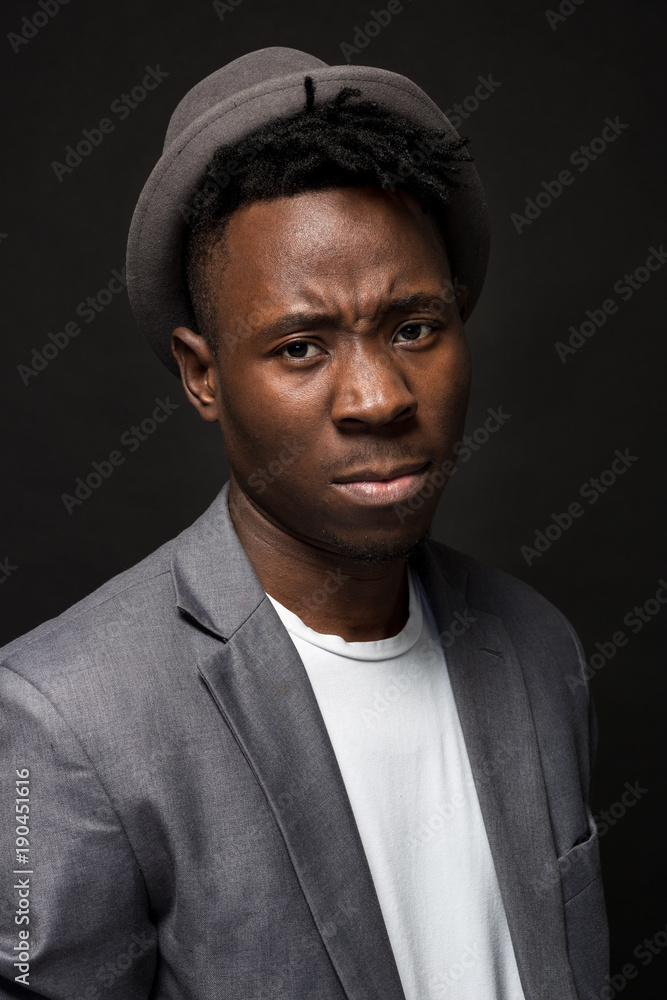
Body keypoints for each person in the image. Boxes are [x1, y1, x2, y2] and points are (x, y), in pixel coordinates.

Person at [0, 46, 608, 1000]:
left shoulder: (537, 648)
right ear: (202, 374)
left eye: (413, 328)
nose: (378, 397)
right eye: (299, 347)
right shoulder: (63, 720)